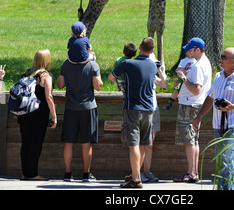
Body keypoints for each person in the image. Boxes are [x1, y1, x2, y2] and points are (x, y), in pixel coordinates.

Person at [192, 47, 234, 190]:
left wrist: (232, 107)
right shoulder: (218, 76)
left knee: (226, 160)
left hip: (233, 126)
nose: (221, 59)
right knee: (221, 161)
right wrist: (199, 116)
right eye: (221, 56)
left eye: (224, 57)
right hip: (218, 126)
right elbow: (210, 97)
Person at [108, 37, 157, 189]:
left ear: (140, 47)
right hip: (149, 109)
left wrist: (120, 85)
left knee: (133, 144)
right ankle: (136, 175)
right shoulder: (153, 65)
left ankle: (136, 179)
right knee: (143, 143)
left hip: (132, 108)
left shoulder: (128, 63)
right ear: (152, 50)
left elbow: (111, 76)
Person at [56, 46, 103, 182]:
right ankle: (86, 175)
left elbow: (60, 85)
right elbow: (98, 86)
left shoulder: (66, 65)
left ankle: (67, 174)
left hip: (70, 107)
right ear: (87, 49)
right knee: (86, 143)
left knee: (68, 142)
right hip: (88, 108)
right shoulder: (93, 64)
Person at [173, 37, 212, 184]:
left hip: (190, 105)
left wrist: (183, 78)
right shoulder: (205, 63)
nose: (189, 52)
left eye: (191, 49)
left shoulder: (198, 66)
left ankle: (191, 172)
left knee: (189, 141)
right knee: (193, 140)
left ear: (197, 49)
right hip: (196, 105)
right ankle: (193, 172)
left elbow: (196, 90)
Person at [18, 49, 57, 181]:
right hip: (38, 115)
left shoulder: (28, 73)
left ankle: (25, 173)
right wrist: (54, 116)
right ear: (46, 60)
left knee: (26, 143)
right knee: (35, 144)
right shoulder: (46, 76)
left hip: (24, 114)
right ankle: (32, 173)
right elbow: (49, 97)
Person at [140, 54, 168, 183]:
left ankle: (147, 171)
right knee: (141, 143)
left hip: (154, 111)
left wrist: (160, 71)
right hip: (143, 111)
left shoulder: (153, 75)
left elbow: (164, 85)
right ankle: (138, 172)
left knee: (149, 144)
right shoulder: (141, 74)